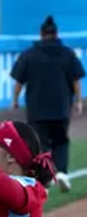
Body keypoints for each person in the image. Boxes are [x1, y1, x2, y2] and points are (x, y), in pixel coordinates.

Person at [11, 15, 85, 192]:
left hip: (37, 110)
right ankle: (62, 173)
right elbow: (76, 80)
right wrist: (78, 101)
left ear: (41, 34)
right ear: (56, 34)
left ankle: (46, 177)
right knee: (61, 141)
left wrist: (14, 101)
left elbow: (18, 82)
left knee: (40, 143)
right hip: (61, 108)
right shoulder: (68, 54)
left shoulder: (29, 55)